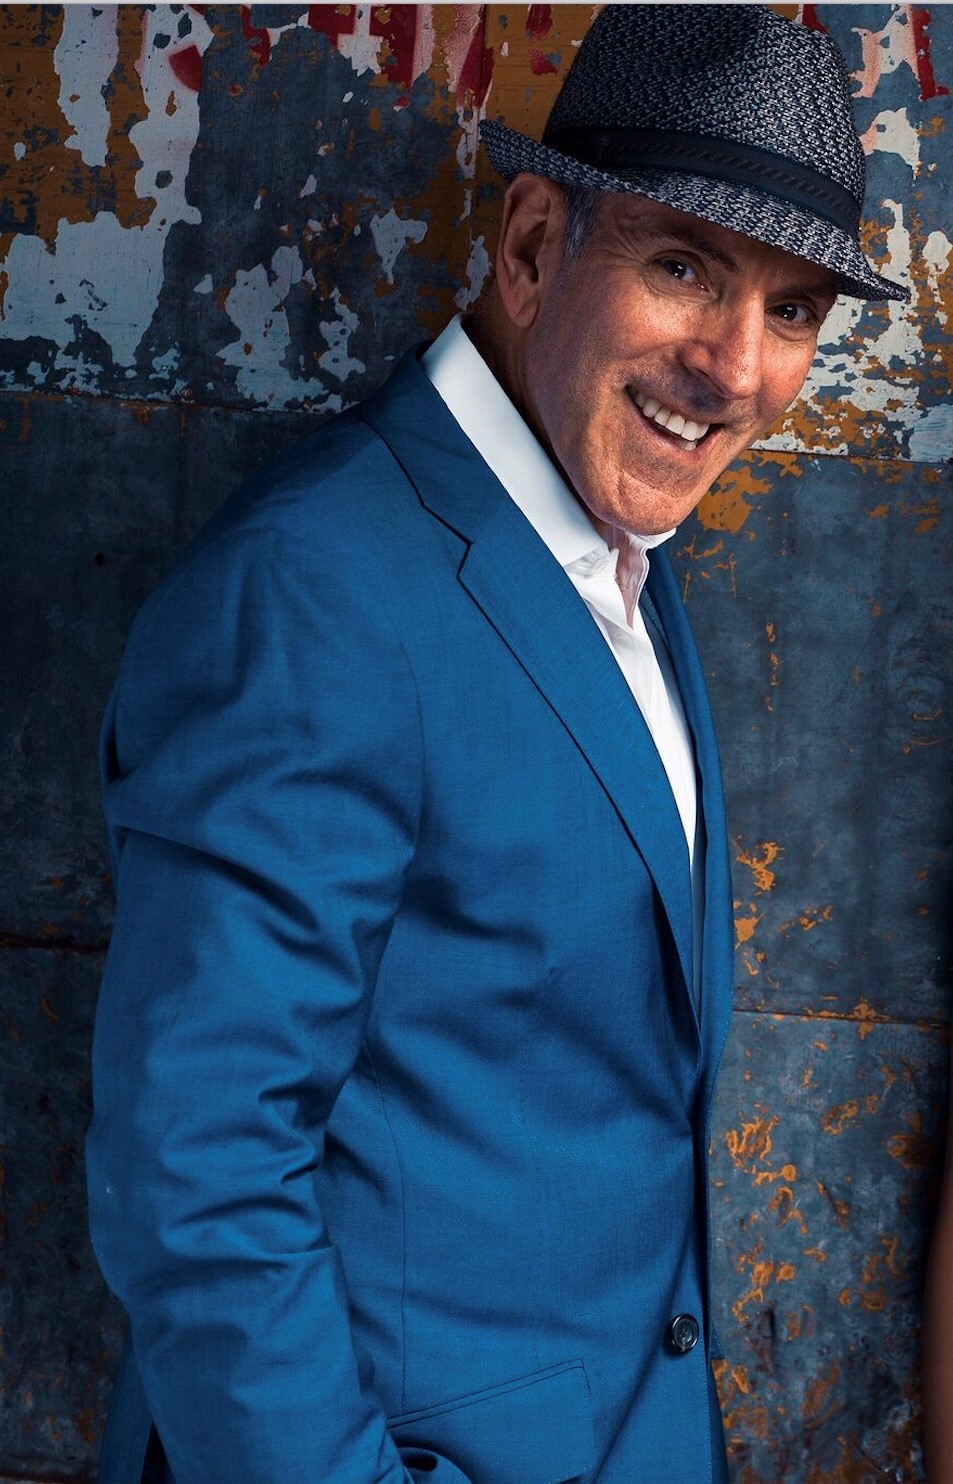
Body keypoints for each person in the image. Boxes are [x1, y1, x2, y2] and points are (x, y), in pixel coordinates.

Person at [86, 7, 908, 1482]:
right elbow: (197, 1182)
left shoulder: (617, 543)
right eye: (682, 267)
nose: (736, 368)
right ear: (531, 245)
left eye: (791, 310)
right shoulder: (313, 591)